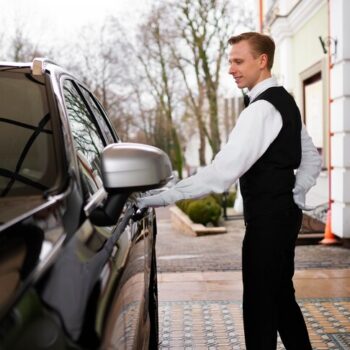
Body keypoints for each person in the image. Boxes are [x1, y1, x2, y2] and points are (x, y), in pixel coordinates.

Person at [138, 32, 322, 349]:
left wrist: (165, 196)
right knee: (280, 298)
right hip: (283, 218)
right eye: (230, 62)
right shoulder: (285, 101)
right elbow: (312, 159)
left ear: (261, 61)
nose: (231, 69)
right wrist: (297, 194)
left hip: (267, 223)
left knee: (260, 307)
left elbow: (221, 174)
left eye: (238, 61)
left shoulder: (260, 110)